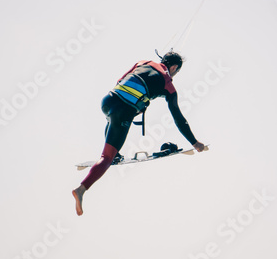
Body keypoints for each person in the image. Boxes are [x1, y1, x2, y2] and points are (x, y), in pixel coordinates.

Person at [72, 51, 205, 216]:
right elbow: (178, 119)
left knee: (112, 122)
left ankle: (116, 154)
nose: (174, 75)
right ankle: (81, 189)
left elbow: (120, 81)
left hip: (107, 101)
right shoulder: (168, 86)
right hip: (123, 111)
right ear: (174, 67)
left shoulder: (143, 62)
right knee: (107, 157)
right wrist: (194, 142)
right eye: (176, 72)